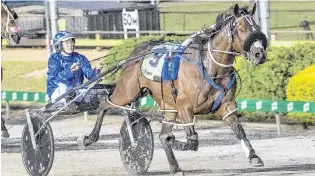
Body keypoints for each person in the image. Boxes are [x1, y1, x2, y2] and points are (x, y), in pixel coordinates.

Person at [46, 31, 103, 109]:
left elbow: (90, 76)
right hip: (58, 93)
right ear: (59, 45)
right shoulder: (54, 59)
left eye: (71, 42)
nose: (70, 45)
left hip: (76, 92)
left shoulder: (80, 57)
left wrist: (97, 70)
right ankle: (70, 100)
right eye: (67, 43)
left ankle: (75, 101)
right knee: (64, 86)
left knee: (93, 90)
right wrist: (70, 71)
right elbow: (58, 78)